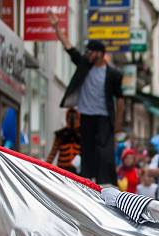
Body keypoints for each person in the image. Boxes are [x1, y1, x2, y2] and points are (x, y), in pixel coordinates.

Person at [48, 12, 124, 185]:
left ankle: (107, 184)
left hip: (104, 116)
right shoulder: (84, 64)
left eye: (91, 51)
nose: (88, 54)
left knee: (104, 153)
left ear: (100, 53)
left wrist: (118, 122)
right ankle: (87, 180)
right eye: (87, 51)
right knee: (87, 150)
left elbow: (120, 99)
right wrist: (56, 27)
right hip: (87, 115)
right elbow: (68, 46)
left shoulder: (113, 74)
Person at [46, 109, 81, 173]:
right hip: (63, 169)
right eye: (70, 117)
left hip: (78, 169)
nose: (72, 120)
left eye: (74, 117)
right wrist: (45, 167)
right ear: (66, 118)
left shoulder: (82, 134)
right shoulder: (60, 134)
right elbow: (53, 153)